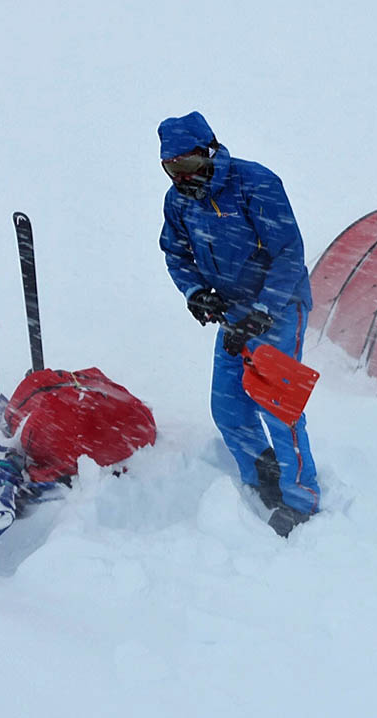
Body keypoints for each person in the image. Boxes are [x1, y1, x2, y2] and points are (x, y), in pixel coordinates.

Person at [158, 111, 321, 537]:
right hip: (232, 312)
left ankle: (301, 500)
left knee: (279, 407)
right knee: (228, 406)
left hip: (279, 308)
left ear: (209, 152)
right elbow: (175, 253)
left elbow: (288, 253)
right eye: (171, 169)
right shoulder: (178, 202)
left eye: (188, 164)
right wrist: (196, 292)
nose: (182, 177)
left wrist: (263, 310)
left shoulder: (255, 183)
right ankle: (264, 471)